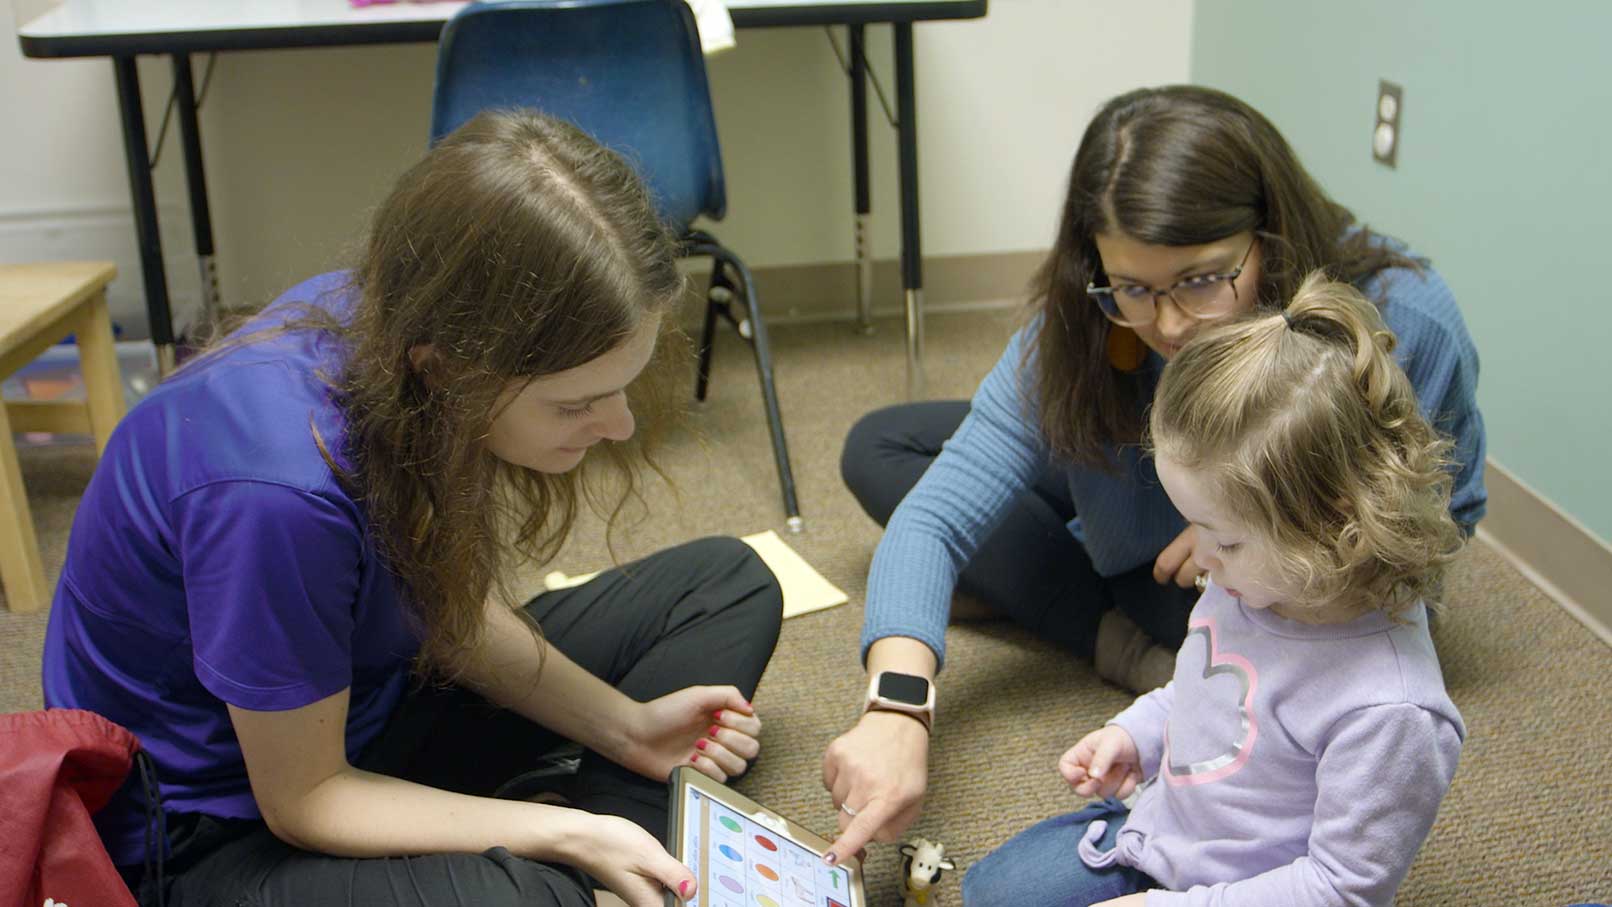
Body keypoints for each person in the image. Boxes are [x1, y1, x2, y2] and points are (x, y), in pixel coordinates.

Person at [41, 109, 783, 907]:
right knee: (534, 898)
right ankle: (592, 841)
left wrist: (626, 727)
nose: (620, 426)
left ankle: (607, 836)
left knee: (732, 580)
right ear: (448, 370)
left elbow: (438, 607)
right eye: (578, 404)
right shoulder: (276, 493)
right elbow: (306, 798)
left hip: (364, 701)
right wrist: (557, 833)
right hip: (218, 826)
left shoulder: (400, 324)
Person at [821, 85, 1484, 865]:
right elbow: (936, 516)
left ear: (1268, 239)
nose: (1166, 324)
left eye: (1202, 280)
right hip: (1143, 503)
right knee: (884, 445)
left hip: (1281, 589)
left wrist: (1237, 525)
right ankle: (1110, 615)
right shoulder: (1089, 321)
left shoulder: (1403, 317)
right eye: (1132, 287)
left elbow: (1424, 536)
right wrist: (898, 709)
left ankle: (1118, 630)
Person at [961, 273, 1468, 905]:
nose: (1199, 555)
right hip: (1170, 831)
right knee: (989, 893)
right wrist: (1137, 733)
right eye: (1193, 524)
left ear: (1334, 527)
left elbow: (1342, 889)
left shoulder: (1391, 713)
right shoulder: (1253, 584)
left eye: (1223, 538)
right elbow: (1205, 688)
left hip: (1253, 893)